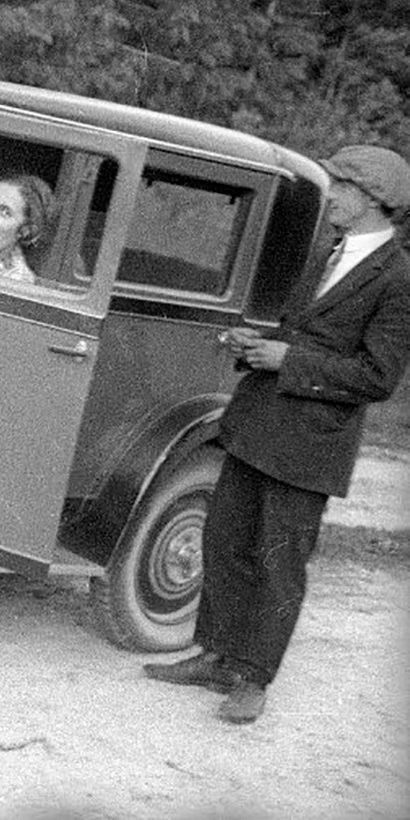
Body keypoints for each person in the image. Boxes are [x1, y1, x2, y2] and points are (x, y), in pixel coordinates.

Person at [142, 144, 410, 724]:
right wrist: (256, 349)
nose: (330, 195)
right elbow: (301, 333)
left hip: (309, 447)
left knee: (278, 562)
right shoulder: (329, 253)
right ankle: (215, 656)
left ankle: (254, 679)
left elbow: (379, 376)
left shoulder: (397, 279)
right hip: (257, 426)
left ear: (374, 201)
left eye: (341, 186)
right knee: (224, 541)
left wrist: (286, 360)